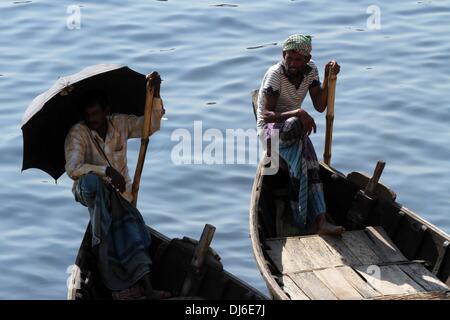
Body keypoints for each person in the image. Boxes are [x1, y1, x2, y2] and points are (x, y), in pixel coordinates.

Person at [64, 72, 171, 299]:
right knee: (95, 184)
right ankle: (117, 283)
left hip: (121, 195)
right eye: (88, 115)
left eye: (96, 113)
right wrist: (106, 172)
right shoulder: (78, 134)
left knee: (131, 232)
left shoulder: (120, 123)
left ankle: (147, 289)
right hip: (88, 190)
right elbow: (73, 169)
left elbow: (150, 126)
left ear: (106, 111)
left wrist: (157, 94)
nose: (92, 119)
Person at [256, 34, 345, 236]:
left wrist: (329, 78)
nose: (293, 64)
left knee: (312, 169)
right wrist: (298, 112)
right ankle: (302, 216)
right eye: (289, 58)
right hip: (271, 130)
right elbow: (266, 115)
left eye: (298, 60)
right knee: (295, 123)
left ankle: (321, 221)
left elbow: (320, 106)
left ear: (307, 59)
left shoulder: (311, 70)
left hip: (294, 130)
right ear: (283, 55)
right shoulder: (275, 75)